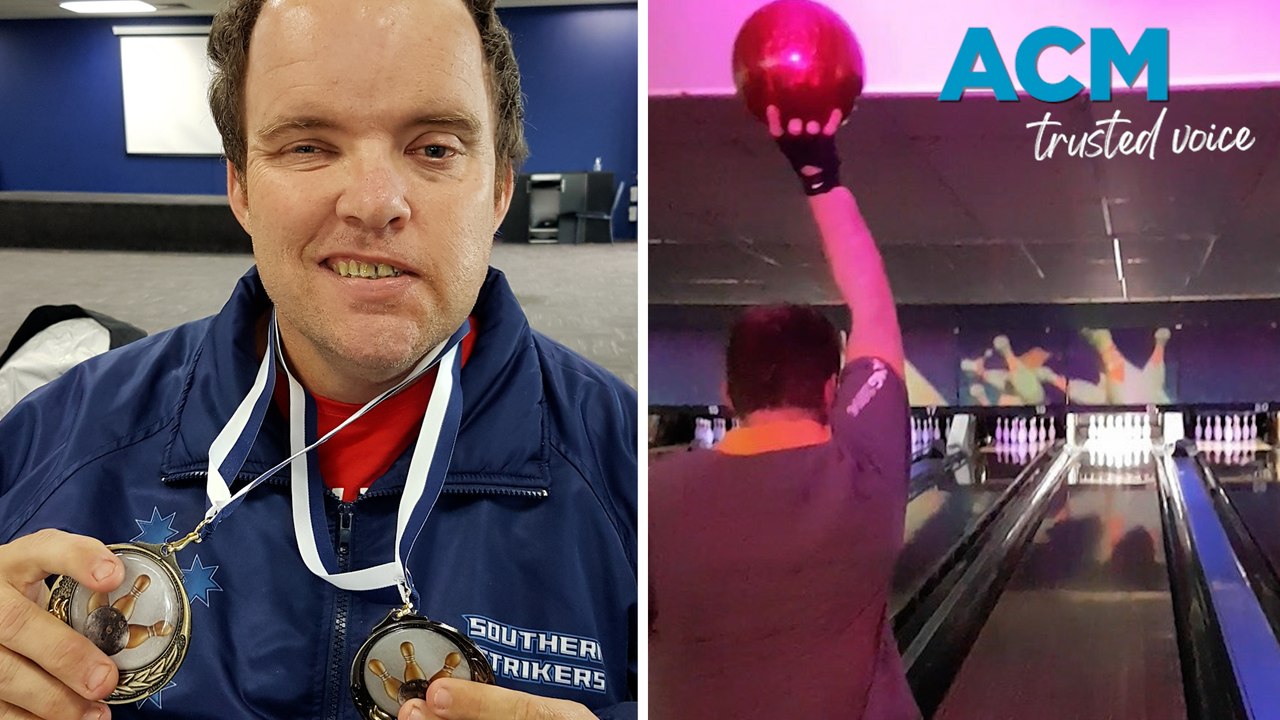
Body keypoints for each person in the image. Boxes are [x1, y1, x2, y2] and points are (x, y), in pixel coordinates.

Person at [0, 0, 636, 718]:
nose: (374, 203)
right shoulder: (57, 444)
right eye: (307, 146)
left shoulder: (635, 482)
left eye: (434, 148)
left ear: (498, 191)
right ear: (240, 187)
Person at [649, 104, 919, 720]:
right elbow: (874, 308)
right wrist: (820, 175)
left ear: (727, 391)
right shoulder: (867, 475)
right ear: (831, 389)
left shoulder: (652, 494)